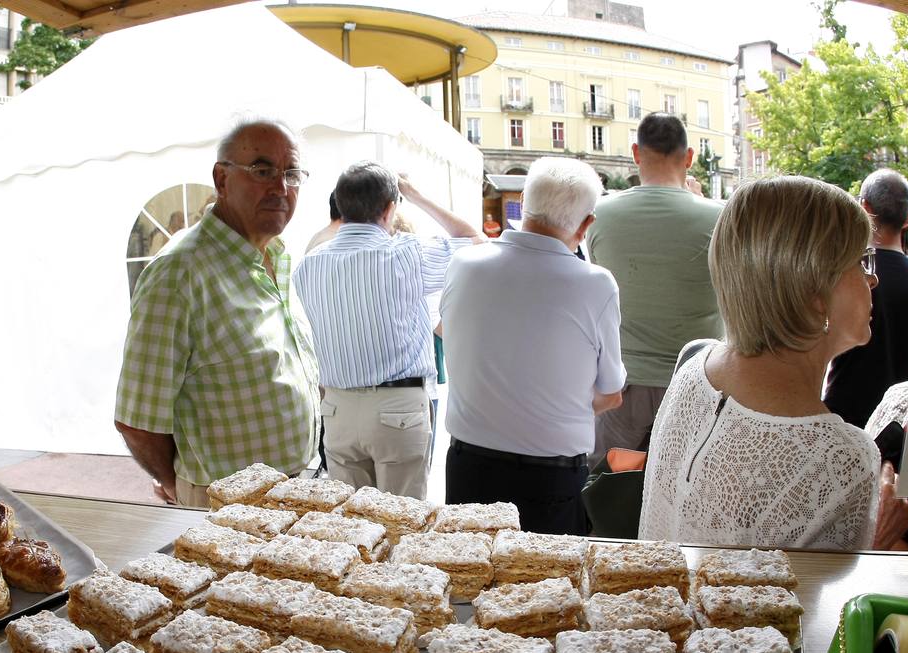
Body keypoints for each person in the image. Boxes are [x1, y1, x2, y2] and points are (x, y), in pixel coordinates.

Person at [638, 176, 908, 551]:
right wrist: (878, 541)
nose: (874, 278)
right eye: (862, 262)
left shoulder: (695, 366)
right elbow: (807, 606)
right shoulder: (841, 459)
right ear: (816, 294)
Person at [113, 118, 320, 507]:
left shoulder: (275, 256)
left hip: (294, 488)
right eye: (262, 170)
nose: (281, 187)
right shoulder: (180, 271)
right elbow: (136, 420)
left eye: (292, 173)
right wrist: (178, 485)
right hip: (227, 505)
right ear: (222, 180)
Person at [440, 157, 624, 534]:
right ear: (587, 224)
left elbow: (448, 332)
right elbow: (611, 394)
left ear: (523, 200)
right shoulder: (595, 285)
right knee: (550, 587)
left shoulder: (464, 264)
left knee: (469, 583)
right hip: (550, 479)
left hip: (468, 467)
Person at [293, 162, 481, 499]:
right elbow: (475, 241)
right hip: (398, 408)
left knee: (353, 527)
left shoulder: (309, 264)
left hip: (337, 409)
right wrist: (416, 195)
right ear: (390, 208)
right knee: (402, 525)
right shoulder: (407, 254)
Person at [584, 112, 724, 469]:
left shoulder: (600, 214)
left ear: (636, 153)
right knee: (684, 490)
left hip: (622, 389)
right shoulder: (721, 218)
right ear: (689, 157)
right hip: (697, 387)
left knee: (611, 492)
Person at [823, 169, 908, 428]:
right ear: (907, 218)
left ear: (864, 207)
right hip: (896, 426)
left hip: (844, 418)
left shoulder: (844, 275)